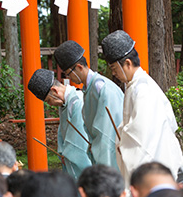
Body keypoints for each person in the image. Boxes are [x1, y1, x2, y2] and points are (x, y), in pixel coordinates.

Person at [101, 30, 183, 186]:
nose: (113, 73)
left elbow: (141, 136)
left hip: (158, 164)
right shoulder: (135, 85)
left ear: (127, 64)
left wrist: (122, 142)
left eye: (114, 68)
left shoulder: (143, 89)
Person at [54, 40, 124, 170]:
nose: (69, 78)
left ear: (79, 67)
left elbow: (106, 131)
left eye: (68, 73)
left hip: (112, 151)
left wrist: (97, 146)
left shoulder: (101, 87)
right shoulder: (88, 88)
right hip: (100, 148)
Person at [28, 68, 92, 179]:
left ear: (55, 91)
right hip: (68, 159)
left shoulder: (77, 102)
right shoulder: (64, 103)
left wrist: (66, 153)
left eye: (48, 100)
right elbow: (62, 133)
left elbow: (79, 142)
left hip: (83, 162)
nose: (50, 104)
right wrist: (62, 151)